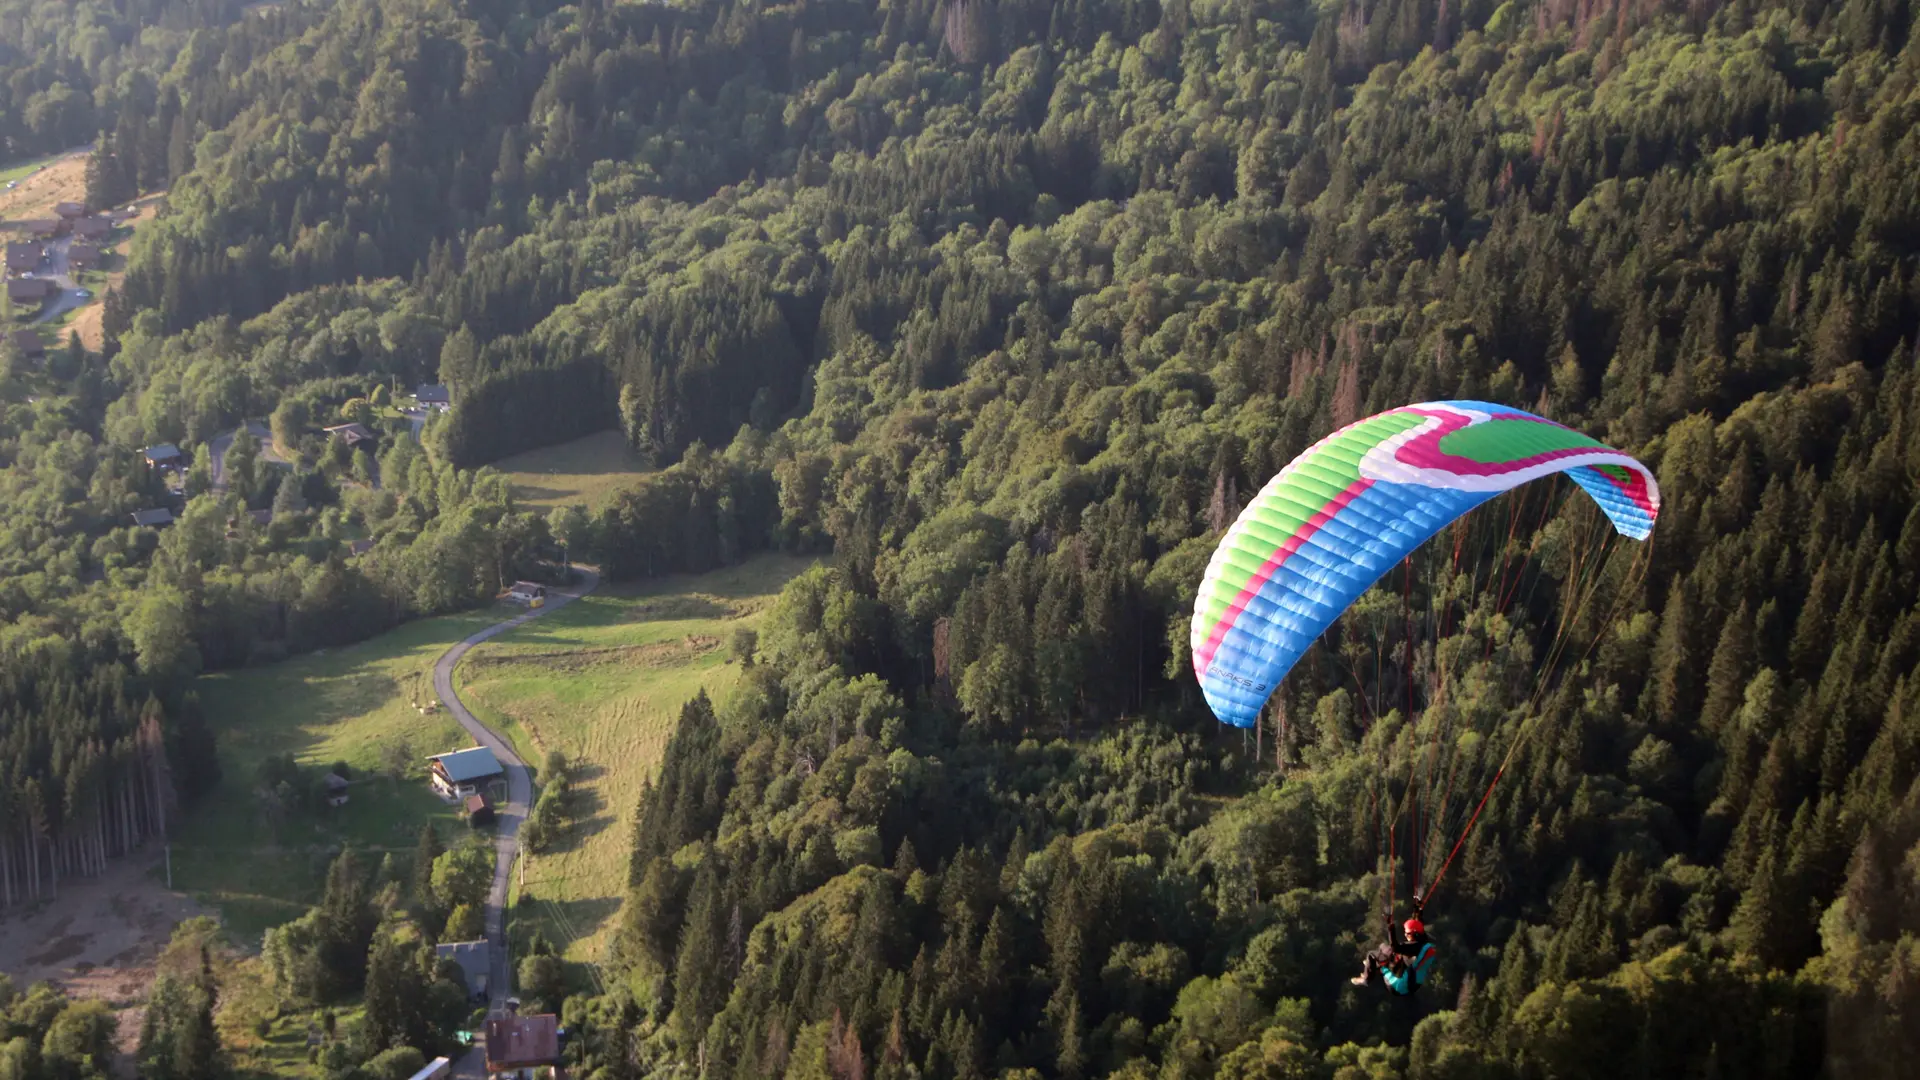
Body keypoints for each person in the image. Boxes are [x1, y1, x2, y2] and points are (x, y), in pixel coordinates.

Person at [1350, 916, 1436, 995]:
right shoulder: (1423, 941)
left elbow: (1395, 948)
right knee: (1383, 947)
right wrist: (1418, 908)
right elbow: (1418, 925)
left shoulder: (1412, 948)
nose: (1405, 935)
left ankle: (1366, 979)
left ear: (1415, 934)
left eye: (1408, 934)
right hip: (1413, 984)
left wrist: (1390, 927)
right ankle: (1373, 966)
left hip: (1397, 985)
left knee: (1371, 955)